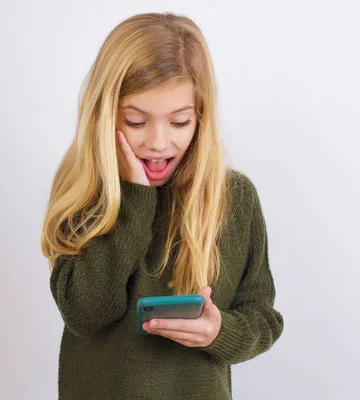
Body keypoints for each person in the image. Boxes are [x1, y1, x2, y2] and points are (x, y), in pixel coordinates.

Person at [41, 12, 284, 400]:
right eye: (136, 122)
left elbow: (263, 317)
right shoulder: (85, 193)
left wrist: (219, 331)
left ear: (200, 117)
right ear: (105, 115)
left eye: (179, 122)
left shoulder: (234, 197)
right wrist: (135, 200)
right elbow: (85, 313)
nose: (157, 142)